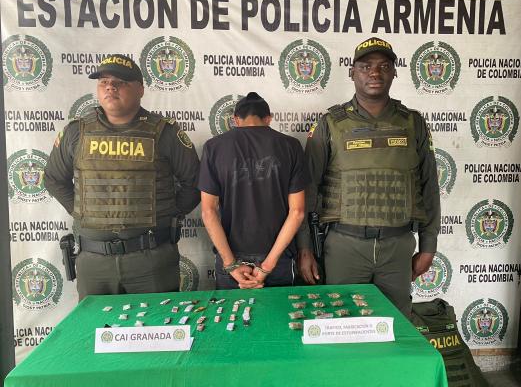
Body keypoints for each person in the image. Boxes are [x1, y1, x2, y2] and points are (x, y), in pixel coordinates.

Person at [296, 37, 440, 316]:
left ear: (394, 72)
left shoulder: (413, 122)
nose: (374, 73)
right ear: (352, 73)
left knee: (396, 327)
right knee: (342, 324)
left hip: (397, 247)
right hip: (344, 246)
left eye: (384, 66)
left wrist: (429, 246)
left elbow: (429, 187)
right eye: (365, 67)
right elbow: (308, 190)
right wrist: (305, 248)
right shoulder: (330, 124)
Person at [44, 54, 200, 300]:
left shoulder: (165, 132)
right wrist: (80, 211)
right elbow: (53, 179)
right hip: (94, 262)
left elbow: (195, 183)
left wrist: (167, 214)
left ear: (140, 90)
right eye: (104, 82)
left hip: (151, 260)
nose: (110, 87)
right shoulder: (76, 132)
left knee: (157, 323)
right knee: (96, 324)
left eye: (121, 82)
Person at [198, 92, 310, 289]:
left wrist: (231, 264)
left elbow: (208, 212)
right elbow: (297, 212)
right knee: (280, 310)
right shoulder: (291, 146)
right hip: (278, 259)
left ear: (236, 120)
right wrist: (267, 266)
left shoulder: (213, 147)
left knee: (230, 310)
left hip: (231, 258)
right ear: (268, 118)